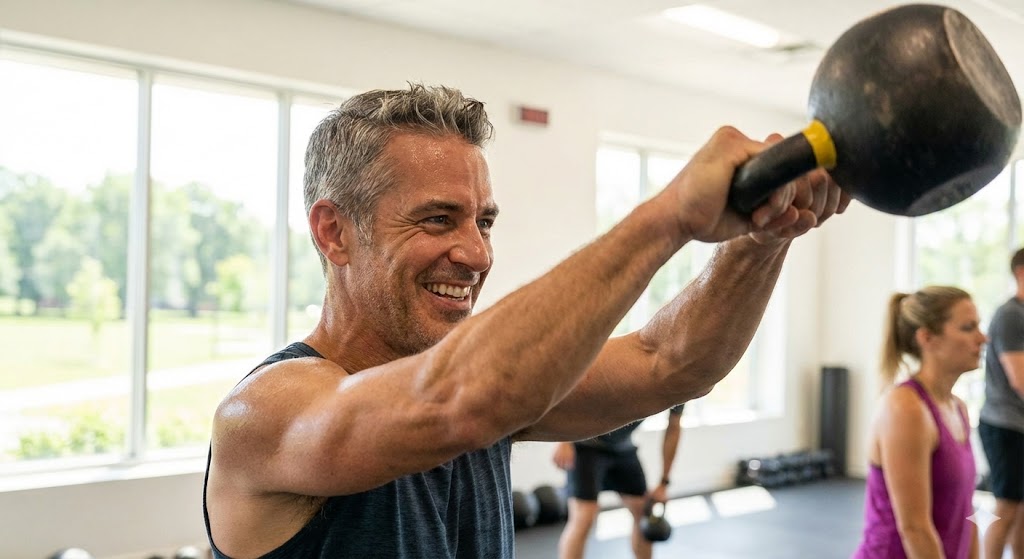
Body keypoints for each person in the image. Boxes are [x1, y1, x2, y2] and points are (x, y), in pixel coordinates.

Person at [203, 83, 848, 558]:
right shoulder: (265, 414)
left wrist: (764, 234)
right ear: (334, 232)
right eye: (438, 219)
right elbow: (460, 401)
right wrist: (669, 215)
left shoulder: (490, 393)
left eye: (483, 221)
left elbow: (671, 363)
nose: (476, 253)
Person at [852, 286, 985, 559]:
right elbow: (915, 529)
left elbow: (965, 510)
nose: (982, 338)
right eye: (968, 328)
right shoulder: (905, 409)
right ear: (927, 338)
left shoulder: (957, 407)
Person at [552, 404, 684, 559]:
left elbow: (674, 428)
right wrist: (564, 440)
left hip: (622, 447)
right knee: (583, 518)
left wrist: (663, 484)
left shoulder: (679, 391)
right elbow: (572, 395)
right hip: (585, 443)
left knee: (643, 512)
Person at [980, 248, 1024, 559]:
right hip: (1005, 425)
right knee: (1007, 507)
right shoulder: (1010, 315)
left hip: (1019, 424)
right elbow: (1020, 379)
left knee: (1022, 510)